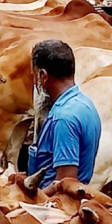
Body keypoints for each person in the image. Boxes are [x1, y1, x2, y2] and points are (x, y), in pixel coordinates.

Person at [26, 40, 101, 191]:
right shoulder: (84, 103)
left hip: (54, 207)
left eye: (34, 76)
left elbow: (65, 183)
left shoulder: (63, 119)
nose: (35, 82)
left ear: (43, 76)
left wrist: (29, 201)